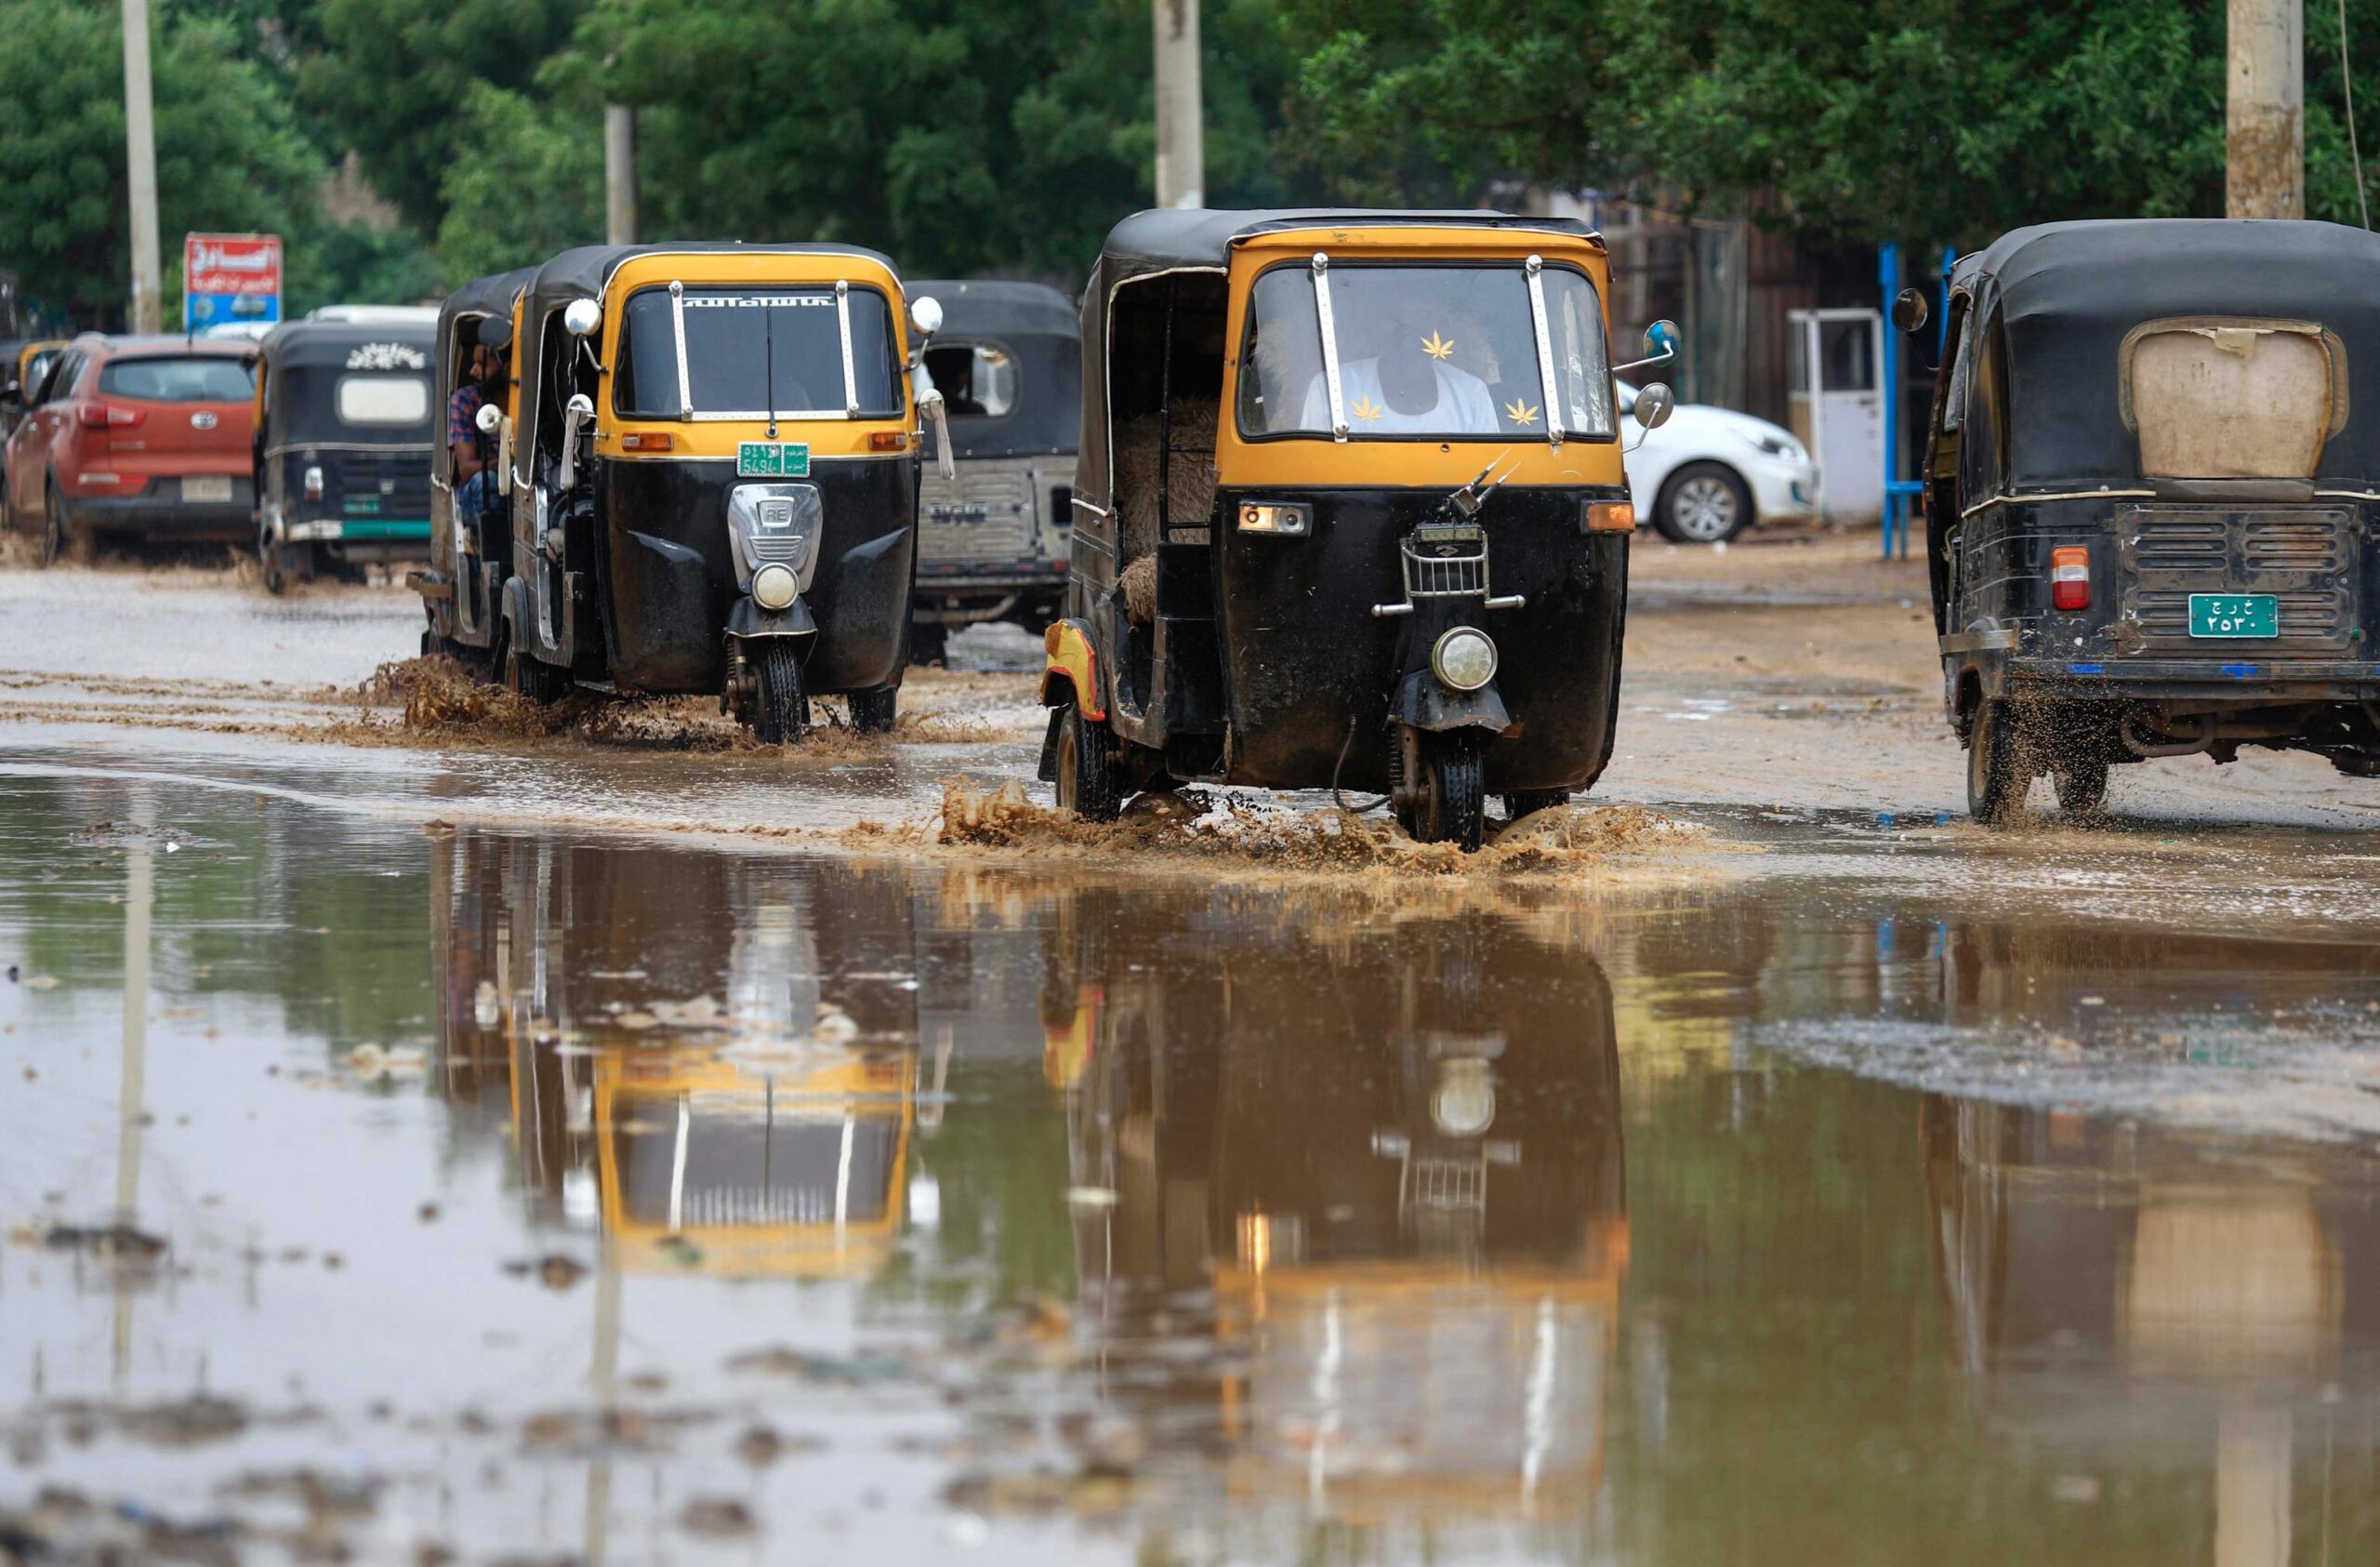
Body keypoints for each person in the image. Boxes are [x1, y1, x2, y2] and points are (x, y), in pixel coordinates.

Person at [449, 336, 507, 520]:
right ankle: (488, 542)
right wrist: (503, 464)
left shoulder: (527, 401)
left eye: (482, 366)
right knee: (485, 482)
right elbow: (466, 470)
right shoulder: (465, 400)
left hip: (519, 485)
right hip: (481, 489)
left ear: (507, 368)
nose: (473, 371)